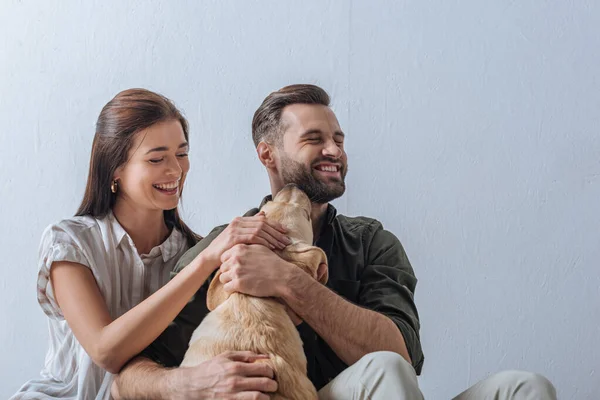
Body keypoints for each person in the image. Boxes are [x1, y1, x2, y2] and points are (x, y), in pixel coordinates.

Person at [112, 84, 557, 400]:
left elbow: (400, 353)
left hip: (378, 391)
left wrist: (290, 281)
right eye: (314, 139)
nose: (334, 151)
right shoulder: (222, 247)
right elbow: (127, 377)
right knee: (385, 373)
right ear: (268, 153)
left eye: (338, 139)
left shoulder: (370, 242)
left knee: (527, 388)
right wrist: (186, 385)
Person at [12, 88, 289, 400]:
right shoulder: (70, 242)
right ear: (115, 168)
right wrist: (203, 261)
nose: (175, 170)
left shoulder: (192, 251)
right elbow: (106, 352)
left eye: (182, 154)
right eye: (157, 158)